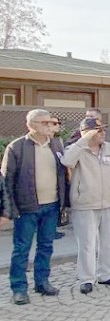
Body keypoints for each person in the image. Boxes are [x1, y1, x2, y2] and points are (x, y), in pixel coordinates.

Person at [1, 109, 68, 305]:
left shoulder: (56, 145)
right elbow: (6, 181)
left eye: (50, 122)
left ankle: (42, 282)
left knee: (46, 246)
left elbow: (63, 175)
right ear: (32, 125)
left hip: (52, 205)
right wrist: (8, 210)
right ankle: (19, 288)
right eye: (45, 123)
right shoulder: (17, 147)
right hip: (26, 208)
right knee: (21, 249)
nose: (50, 125)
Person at [61, 117, 110, 294]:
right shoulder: (77, 149)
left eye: (103, 129)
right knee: (87, 244)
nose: (103, 132)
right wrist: (84, 139)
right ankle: (87, 278)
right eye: (98, 130)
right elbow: (66, 161)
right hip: (85, 204)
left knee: (109, 241)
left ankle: (107, 274)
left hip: (109, 203)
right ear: (86, 132)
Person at [49, 116, 67, 240]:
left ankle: (53, 229)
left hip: (59, 178)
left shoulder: (57, 140)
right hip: (48, 180)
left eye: (59, 123)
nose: (58, 125)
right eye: (55, 123)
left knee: (56, 205)